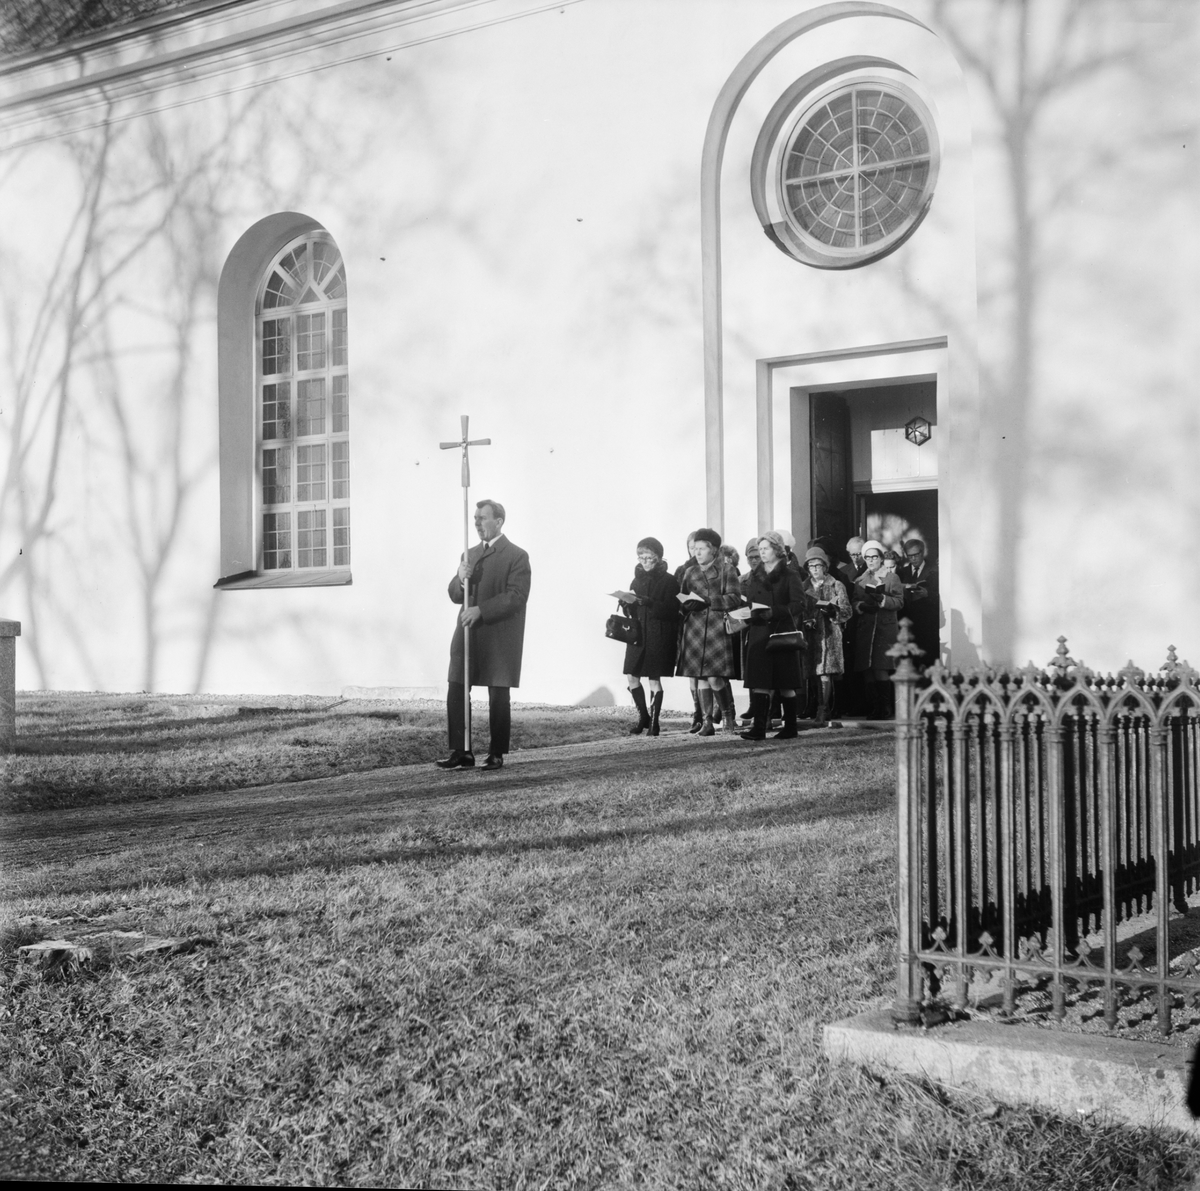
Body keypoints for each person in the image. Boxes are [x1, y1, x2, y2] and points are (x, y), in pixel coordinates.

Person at [437, 499, 531, 771]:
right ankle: (461, 751)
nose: (477, 522)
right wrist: (459, 576)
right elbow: (456, 595)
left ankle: (496, 753)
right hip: (467, 634)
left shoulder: (516, 555)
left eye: (483, 518)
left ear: (498, 521)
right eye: (475, 518)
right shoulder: (469, 554)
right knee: (456, 687)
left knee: (498, 695)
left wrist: (481, 610)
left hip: (499, 636)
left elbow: (516, 597)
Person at [739, 531, 814, 740]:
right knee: (760, 681)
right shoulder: (755, 574)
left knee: (786, 683)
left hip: (781, 633)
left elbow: (800, 604)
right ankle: (759, 729)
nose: (761, 553)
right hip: (759, 632)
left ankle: (790, 727)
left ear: (777, 550)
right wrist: (746, 614)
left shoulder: (790, 575)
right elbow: (751, 601)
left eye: (765, 549)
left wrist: (775, 611)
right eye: (759, 549)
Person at [676, 528, 742, 736]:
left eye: (702, 548)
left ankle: (727, 717)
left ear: (713, 550)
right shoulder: (690, 572)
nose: (697, 553)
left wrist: (709, 601)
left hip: (715, 627)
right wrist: (686, 605)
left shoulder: (726, 570)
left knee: (715, 677)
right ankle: (706, 723)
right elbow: (682, 597)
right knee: (701, 676)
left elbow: (734, 598)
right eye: (695, 548)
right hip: (695, 628)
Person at [617, 537, 679, 736]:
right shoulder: (636, 579)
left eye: (648, 557)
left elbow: (672, 610)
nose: (644, 561)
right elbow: (632, 611)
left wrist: (650, 602)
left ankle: (655, 723)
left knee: (654, 678)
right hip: (638, 633)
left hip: (658, 634)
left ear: (659, 557)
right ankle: (643, 717)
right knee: (631, 675)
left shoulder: (670, 581)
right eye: (640, 557)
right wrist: (627, 604)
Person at [852, 540, 905, 720]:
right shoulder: (860, 580)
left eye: (874, 557)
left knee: (880, 666)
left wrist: (883, 600)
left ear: (881, 558)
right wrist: (861, 606)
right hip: (866, 628)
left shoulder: (891, 578)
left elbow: (899, 601)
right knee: (867, 668)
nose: (871, 560)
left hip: (884, 629)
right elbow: (853, 602)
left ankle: (885, 707)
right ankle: (874, 707)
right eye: (867, 557)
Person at [802, 547, 852, 724]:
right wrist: (806, 620)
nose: (815, 569)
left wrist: (833, 611)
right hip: (811, 635)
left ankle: (823, 710)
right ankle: (821, 708)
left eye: (818, 565)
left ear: (825, 566)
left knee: (826, 673)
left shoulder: (836, 585)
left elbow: (847, 611)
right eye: (811, 566)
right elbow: (799, 611)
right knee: (815, 673)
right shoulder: (804, 587)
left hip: (830, 635)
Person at [898, 537, 940, 668]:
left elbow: (943, 595)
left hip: (927, 622)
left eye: (916, 555)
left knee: (927, 660)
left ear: (922, 553)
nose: (913, 559)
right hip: (908, 621)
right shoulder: (902, 572)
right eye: (910, 556)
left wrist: (928, 594)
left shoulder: (934, 571)